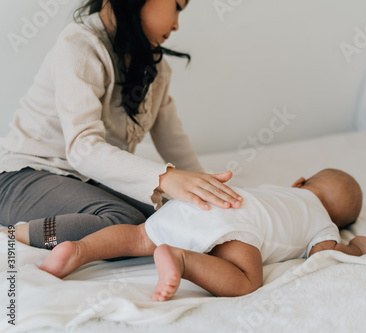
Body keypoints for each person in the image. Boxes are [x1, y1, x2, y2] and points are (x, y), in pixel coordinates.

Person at [0, 0, 243, 249]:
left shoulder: (156, 70)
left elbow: (175, 144)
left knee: (170, 215)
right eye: (177, 6)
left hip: (82, 181)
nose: (176, 24)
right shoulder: (80, 43)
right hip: (23, 176)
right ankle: (16, 235)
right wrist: (164, 178)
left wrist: (214, 194)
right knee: (125, 221)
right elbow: (83, 149)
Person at [40, 168, 366, 301]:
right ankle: (181, 259)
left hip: (202, 203)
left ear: (300, 183)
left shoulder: (279, 190)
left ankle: (79, 250)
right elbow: (324, 254)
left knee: (139, 234)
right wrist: (357, 247)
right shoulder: (324, 222)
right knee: (247, 281)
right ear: (340, 219)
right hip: (241, 230)